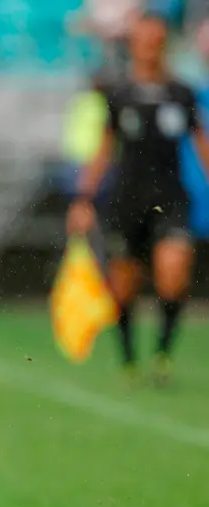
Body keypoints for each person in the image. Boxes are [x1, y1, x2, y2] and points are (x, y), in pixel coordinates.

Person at [69, 12, 209, 387]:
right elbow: (104, 150)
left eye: (156, 39)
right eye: (144, 39)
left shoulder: (182, 92)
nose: (150, 46)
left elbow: (200, 145)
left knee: (174, 273)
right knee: (123, 286)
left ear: (165, 43)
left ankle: (163, 354)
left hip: (171, 198)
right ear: (133, 44)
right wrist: (83, 198)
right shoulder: (118, 93)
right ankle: (130, 357)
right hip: (126, 201)